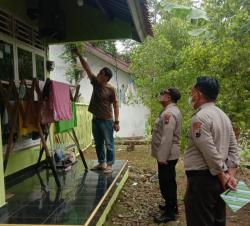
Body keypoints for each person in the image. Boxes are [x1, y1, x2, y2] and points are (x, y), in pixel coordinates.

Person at [184, 76, 240, 226]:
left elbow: (209, 152)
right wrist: (230, 176)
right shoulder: (223, 116)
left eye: (192, 92)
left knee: (200, 220)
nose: (191, 96)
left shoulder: (200, 118)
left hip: (203, 180)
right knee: (218, 219)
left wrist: (223, 177)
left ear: (198, 94)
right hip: (220, 178)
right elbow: (234, 149)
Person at [73, 48, 120, 173]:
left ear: (106, 78)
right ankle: (102, 163)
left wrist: (117, 121)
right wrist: (79, 55)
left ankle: (109, 165)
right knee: (98, 143)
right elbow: (87, 68)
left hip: (107, 120)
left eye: (101, 74)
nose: (98, 75)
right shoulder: (95, 82)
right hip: (95, 119)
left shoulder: (111, 89)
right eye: (99, 73)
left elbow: (115, 105)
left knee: (109, 143)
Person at [151, 88, 182, 223]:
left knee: (166, 182)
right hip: (169, 154)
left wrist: (162, 157)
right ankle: (172, 206)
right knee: (170, 180)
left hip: (167, 155)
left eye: (163, 94)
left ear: (168, 97)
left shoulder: (169, 113)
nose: (160, 95)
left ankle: (170, 213)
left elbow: (167, 137)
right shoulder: (170, 110)